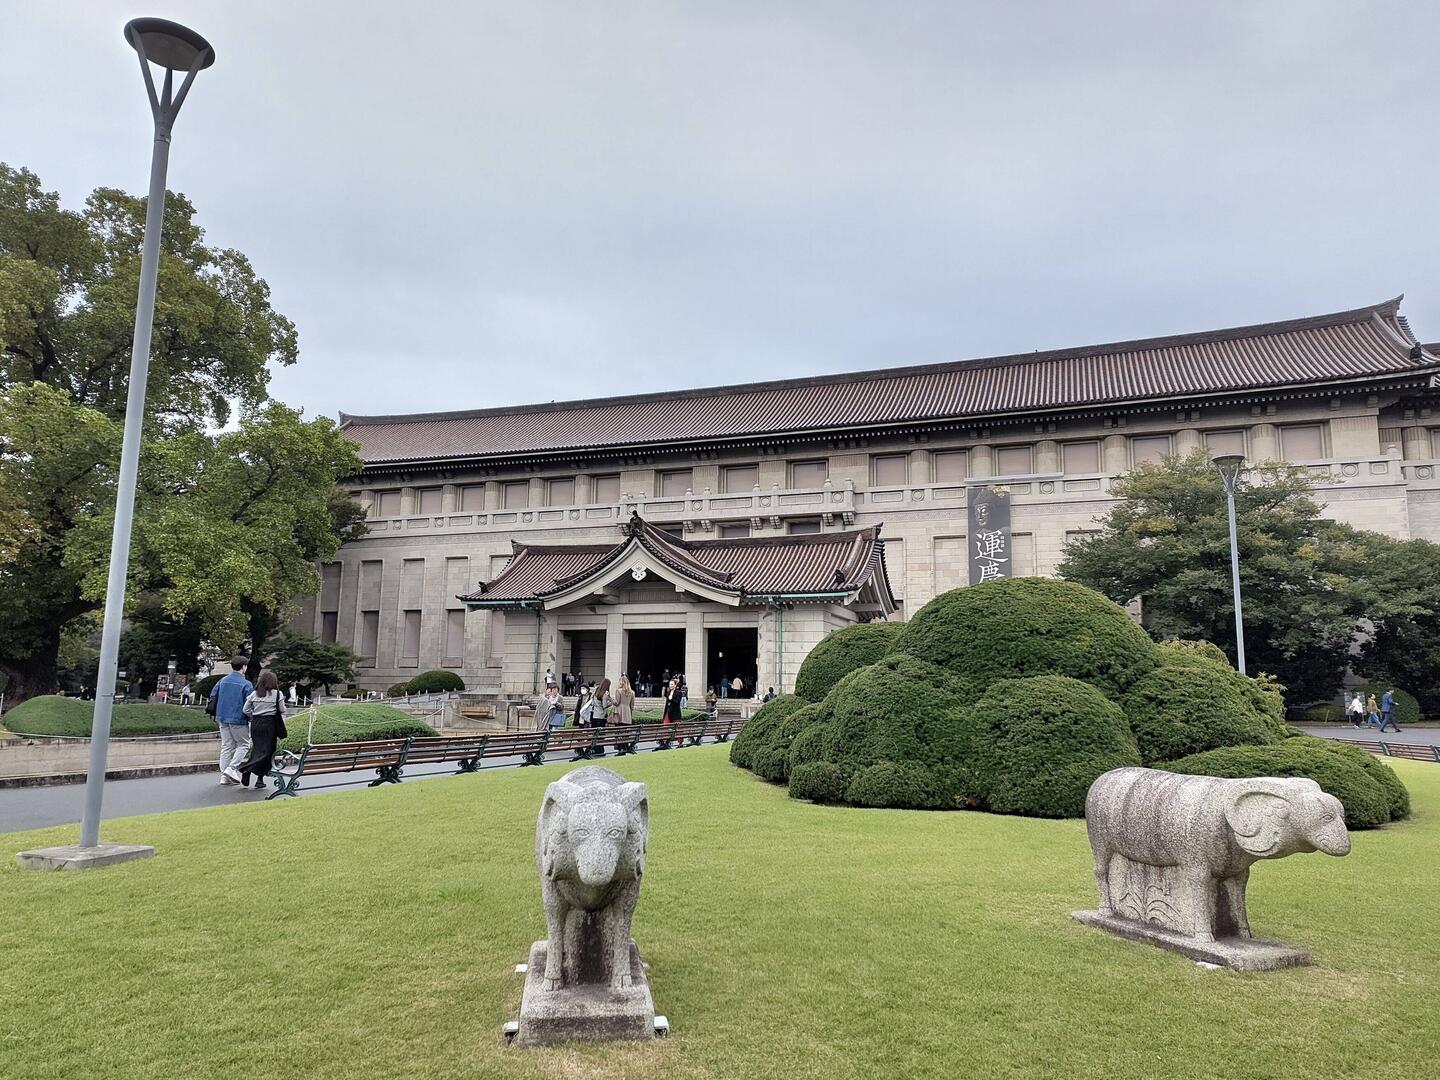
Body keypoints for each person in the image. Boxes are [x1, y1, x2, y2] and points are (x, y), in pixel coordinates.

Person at [237, 670, 286, 791]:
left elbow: (245, 710)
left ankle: (254, 775)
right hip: (269, 724)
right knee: (268, 752)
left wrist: (254, 716)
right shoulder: (277, 694)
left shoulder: (255, 694)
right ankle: (253, 773)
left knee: (257, 749)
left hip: (256, 724)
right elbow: (282, 710)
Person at [209, 656, 254, 785]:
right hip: (238, 718)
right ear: (244, 667)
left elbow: (213, 695)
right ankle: (231, 769)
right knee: (244, 744)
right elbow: (249, 703)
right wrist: (252, 718)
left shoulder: (223, 680)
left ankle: (224, 776)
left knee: (226, 746)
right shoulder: (246, 684)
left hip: (222, 716)